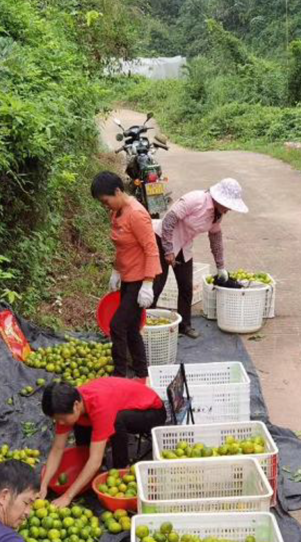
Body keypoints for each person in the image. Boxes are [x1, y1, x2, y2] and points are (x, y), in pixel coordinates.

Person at [40, 378, 166, 506]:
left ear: (76, 405)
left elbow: (95, 461)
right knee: (79, 422)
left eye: (61, 419)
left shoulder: (100, 406)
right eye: (56, 419)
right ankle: (86, 464)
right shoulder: (67, 406)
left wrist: (67, 496)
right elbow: (57, 449)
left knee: (116, 421)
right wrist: (43, 485)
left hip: (153, 411)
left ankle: (121, 469)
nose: (60, 423)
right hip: (119, 405)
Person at [152, 178, 249, 338]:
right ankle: (146, 325)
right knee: (156, 286)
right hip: (162, 240)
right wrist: (168, 249)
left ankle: (184, 325)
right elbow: (168, 220)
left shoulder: (217, 215)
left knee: (186, 287)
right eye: (228, 205)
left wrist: (221, 267)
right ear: (219, 199)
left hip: (184, 246)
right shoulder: (195, 199)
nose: (229, 210)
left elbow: (216, 238)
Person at [91, 171, 161, 379]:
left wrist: (148, 284)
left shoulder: (136, 214)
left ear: (118, 191)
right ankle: (141, 373)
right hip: (128, 278)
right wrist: (116, 270)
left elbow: (151, 250)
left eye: (106, 200)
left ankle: (119, 375)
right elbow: (123, 248)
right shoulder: (116, 212)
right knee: (130, 328)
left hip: (141, 280)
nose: (105, 205)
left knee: (117, 326)